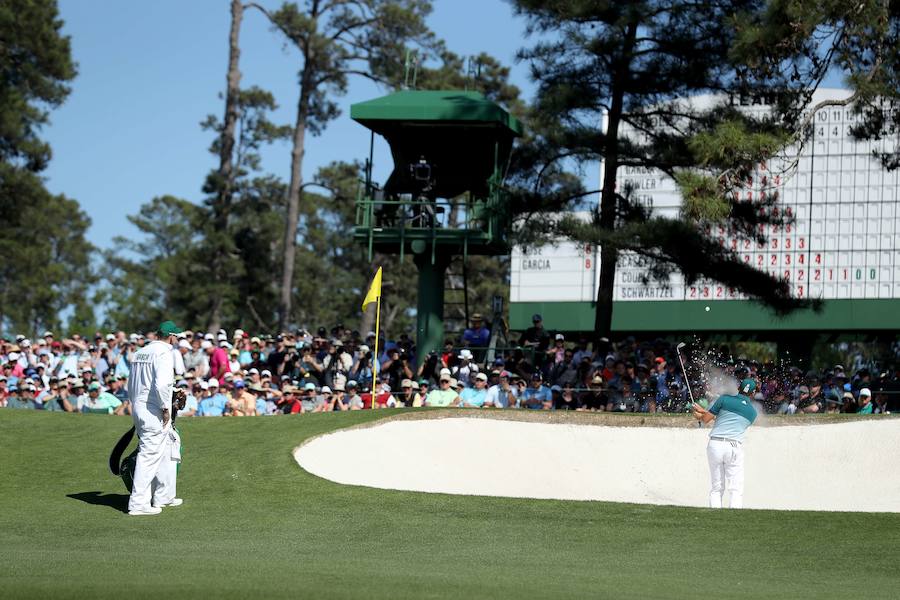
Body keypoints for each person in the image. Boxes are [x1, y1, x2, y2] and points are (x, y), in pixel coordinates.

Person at [126, 320, 184, 516]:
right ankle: (138, 504)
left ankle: (163, 496)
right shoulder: (164, 352)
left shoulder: (141, 352)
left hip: (140, 406)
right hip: (154, 409)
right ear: (170, 336)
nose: (177, 339)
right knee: (149, 455)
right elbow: (161, 384)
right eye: (176, 336)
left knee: (164, 449)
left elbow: (132, 383)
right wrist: (165, 408)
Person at [692, 378, 759, 509]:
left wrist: (700, 414)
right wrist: (703, 412)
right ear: (753, 393)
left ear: (739, 388)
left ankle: (715, 518)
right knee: (736, 488)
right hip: (734, 447)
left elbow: (707, 420)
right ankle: (734, 519)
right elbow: (728, 419)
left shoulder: (724, 399)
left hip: (715, 445)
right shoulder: (752, 413)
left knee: (717, 487)